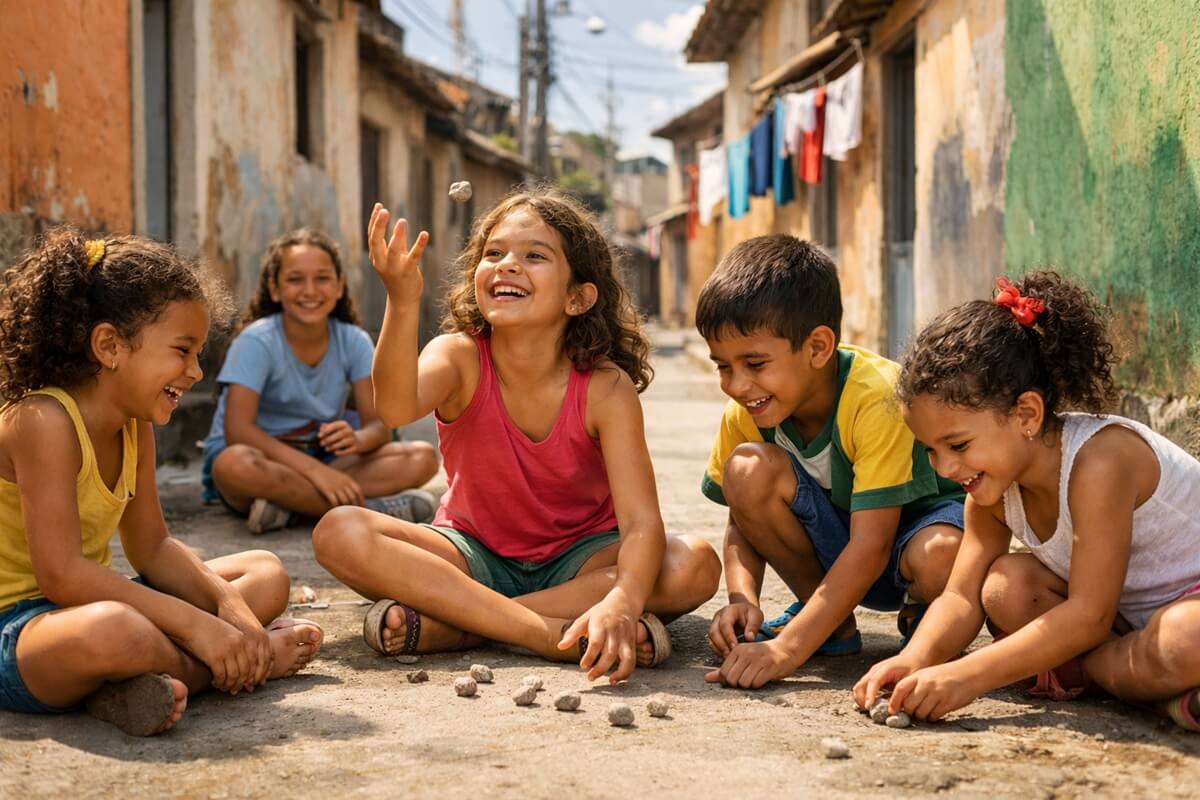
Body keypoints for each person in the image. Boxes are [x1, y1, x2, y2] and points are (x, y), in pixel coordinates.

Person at [313, 189, 720, 683]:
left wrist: (623, 599)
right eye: (494, 253)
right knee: (340, 531)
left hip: (581, 559)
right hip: (468, 553)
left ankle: (459, 626)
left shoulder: (605, 388)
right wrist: (402, 300)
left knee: (694, 564)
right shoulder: (457, 356)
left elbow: (639, 524)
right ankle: (544, 634)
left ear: (578, 297)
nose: (507, 265)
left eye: (534, 256)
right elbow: (395, 407)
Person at [0, 229, 322, 736]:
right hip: (21, 629)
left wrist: (224, 602)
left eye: (198, 354)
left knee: (264, 573)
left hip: (86, 606)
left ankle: (134, 682)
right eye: (182, 350)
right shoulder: (42, 421)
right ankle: (238, 665)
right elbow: (62, 575)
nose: (195, 372)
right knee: (114, 630)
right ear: (110, 345)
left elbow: (151, 547)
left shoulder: (135, 424)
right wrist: (198, 626)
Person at [854, 272, 1200, 731]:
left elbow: (1089, 615)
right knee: (1006, 588)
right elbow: (960, 597)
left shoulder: (1099, 461)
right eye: (930, 450)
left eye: (958, 445)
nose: (945, 468)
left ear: (1027, 415)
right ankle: (1150, 684)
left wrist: (967, 676)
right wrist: (915, 658)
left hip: (1177, 611)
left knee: (1185, 640)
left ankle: (1106, 675)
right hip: (1127, 622)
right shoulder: (991, 493)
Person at [696, 235, 965, 689]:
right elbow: (741, 519)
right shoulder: (747, 411)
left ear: (818, 347)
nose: (737, 386)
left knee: (942, 555)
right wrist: (742, 599)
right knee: (745, 470)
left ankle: (927, 616)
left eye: (755, 364)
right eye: (723, 366)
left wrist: (787, 649)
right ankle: (831, 625)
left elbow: (872, 546)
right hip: (843, 543)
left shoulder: (877, 397)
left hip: (907, 540)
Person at [202, 229, 439, 534]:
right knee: (234, 465)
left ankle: (291, 507)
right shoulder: (256, 341)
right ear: (274, 289)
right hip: (262, 461)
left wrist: (358, 440)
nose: (310, 290)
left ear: (339, 286)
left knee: (421, 457)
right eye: (295, 279)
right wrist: (316, 473)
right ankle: (373, 509)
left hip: (325, 459)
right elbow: (238, 431)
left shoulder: (353, 340)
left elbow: (379, 428)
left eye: (323, 278)